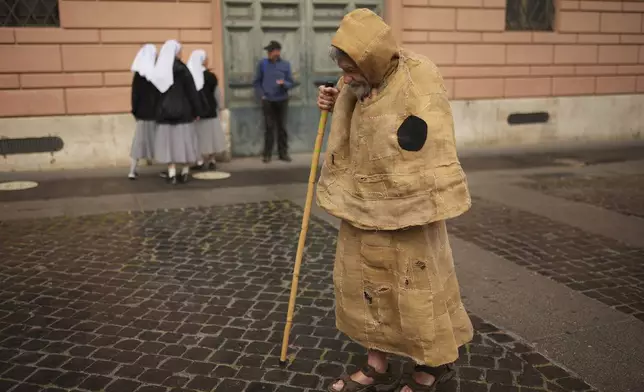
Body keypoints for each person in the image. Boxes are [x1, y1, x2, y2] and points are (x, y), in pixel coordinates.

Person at [315, 9, 473, 392]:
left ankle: (429, 367)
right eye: (344, 69)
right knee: (365, 285)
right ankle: (376, 364)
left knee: (418, 288)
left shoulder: (420, 74)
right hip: (360, 205)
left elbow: (427, 133)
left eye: (353, 68)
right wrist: (333, 97)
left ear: (372, 59)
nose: (347, 75)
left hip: (410, 209)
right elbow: (355, 104)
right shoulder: (356, 81)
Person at [149, 39, 203, 185]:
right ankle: (185, 172)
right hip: (184, 114)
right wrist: (197, 110)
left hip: (165, 114)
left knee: (169, 145)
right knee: (184, 144)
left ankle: (171, 174)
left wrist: (156, 112)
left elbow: (154, 95)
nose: (181, 53)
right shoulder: (183, 69)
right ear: (175, 52)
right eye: (180, 51)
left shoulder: (159, 70)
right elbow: (192, 92)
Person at [252, 40, 295, 163]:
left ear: (278, 52)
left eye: (272, 51)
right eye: (269, 51)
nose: (270, 53)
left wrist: (284, 84)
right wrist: (262, 95)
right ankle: (267, 154)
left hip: (282, 99)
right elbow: (256, 81)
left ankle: (283, 153)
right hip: (268, 100)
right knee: (269, 127)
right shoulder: (262, 64)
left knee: (282, 127)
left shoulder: (285, 65)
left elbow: (291, 82)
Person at [186, 49, 226, 171]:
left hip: (197, 114)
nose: (207, 61)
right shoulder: (211, 77)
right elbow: (217, 94)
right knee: (211, 137)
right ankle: (212, 160)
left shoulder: (190, 77)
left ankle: (200, 161)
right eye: (206, 59)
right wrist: (220, 107)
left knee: (199, 138)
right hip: (210, 111)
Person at [128, 43, 160, 180]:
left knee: (139, 143)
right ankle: (168, 169)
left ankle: (132, 170)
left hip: (142, 113)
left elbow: (134, 95)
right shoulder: (156, 73)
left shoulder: (138, 75)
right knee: (159, 142)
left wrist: (135, 111)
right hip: (156, 114)